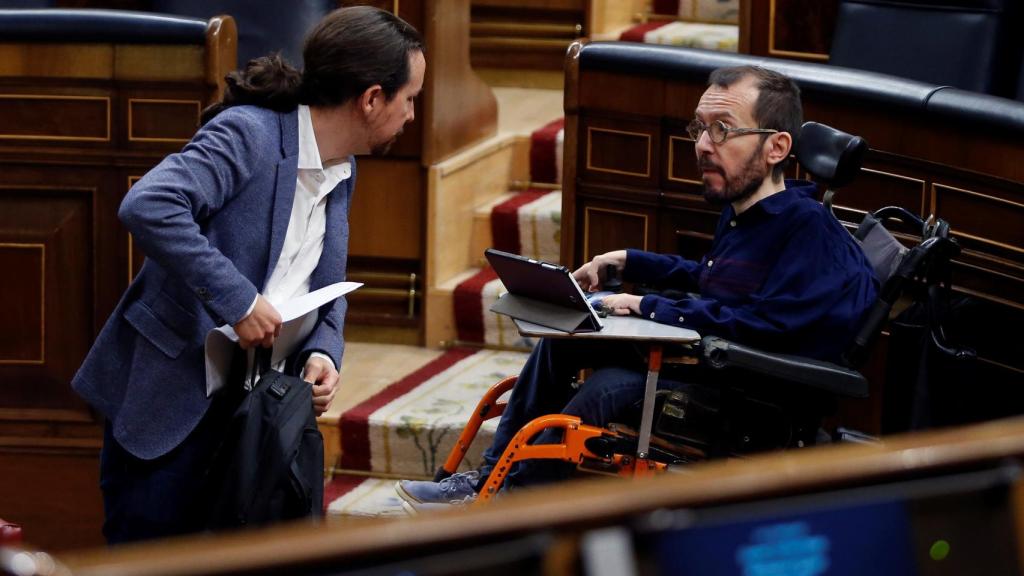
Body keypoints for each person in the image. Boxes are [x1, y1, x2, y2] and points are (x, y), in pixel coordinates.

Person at [395, 65, 878, 510]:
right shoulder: (747, 213)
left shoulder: (808, 229)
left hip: (750, 392)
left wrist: (648, 305)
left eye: (722, 130)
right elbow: (715, 280)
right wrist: (628, 261)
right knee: (564, 339)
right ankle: (488, 482)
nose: (702, 145)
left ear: (776, 147)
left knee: (607, 388)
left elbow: (771, 326)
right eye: (699, 128)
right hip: (711, 362)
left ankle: (512, 508)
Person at [71, 6, 424, 543]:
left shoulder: (343, 164)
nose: (412, 115)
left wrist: (325, 351)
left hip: (252, 413)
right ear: (372, 98)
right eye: (410, 98)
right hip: (171, 399)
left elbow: (329, 284)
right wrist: (238, 301)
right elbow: (150, 204)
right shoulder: (250, 134)